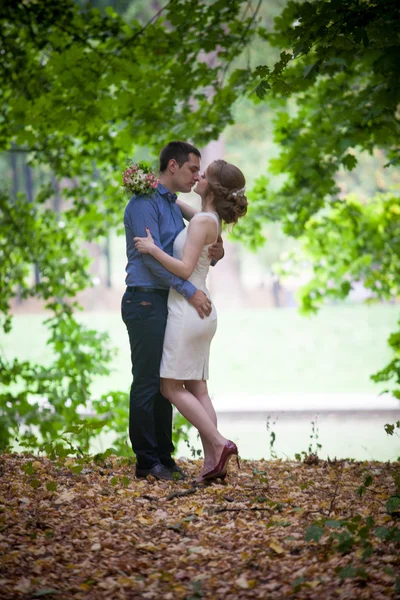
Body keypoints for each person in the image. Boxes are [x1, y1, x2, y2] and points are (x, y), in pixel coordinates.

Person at [134, 159, 248, 482]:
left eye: (203, 174)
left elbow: (183, 270)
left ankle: (219, 443)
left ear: (210, 187)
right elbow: (182, 206)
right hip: (203, 311)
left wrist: (153, 249)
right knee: (198, 389)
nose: (197, 177)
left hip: (188, 310)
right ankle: (213, 463)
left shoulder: (201, 224)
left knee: (169, 386)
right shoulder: (209, 219)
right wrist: (158, 189)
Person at [121, 141, 224, 481]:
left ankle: (164, 458)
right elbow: (150, 261)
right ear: (173, 166)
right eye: (194, 169)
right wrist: (188, 289)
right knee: (149, 381)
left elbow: (204, 227)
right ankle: (146, 460)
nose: (197, 175)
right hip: (145, 300)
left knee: (169, 379)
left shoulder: (171, 204)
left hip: (165, 302)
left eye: (201, 172)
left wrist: (215, 241)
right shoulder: (142, 205)